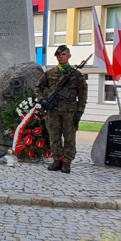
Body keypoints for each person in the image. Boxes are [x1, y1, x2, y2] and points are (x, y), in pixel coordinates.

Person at [35, 45, 87, 174]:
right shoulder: (50, 73)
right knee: (54, 137)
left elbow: (82, 94)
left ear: (69, 56)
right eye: (59, 55)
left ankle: (67, 162)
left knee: (69, 138)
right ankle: (56, 160)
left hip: (70, 112)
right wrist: (42, 100)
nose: (61, 57)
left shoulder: (76, 75)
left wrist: (80, 111)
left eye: (63, 54)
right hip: (53, 111)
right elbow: (38, 88)